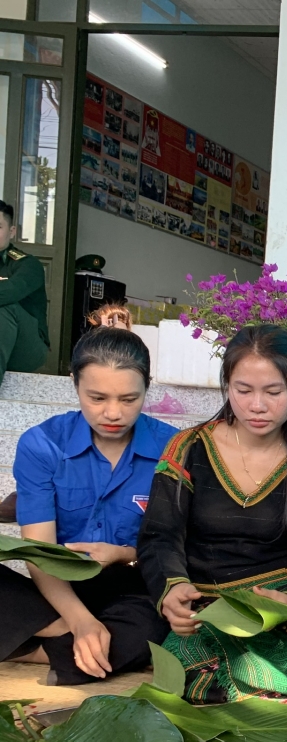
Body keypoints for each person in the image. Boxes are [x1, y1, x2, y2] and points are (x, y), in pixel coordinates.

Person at [138, 324, 287, 703]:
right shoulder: (188, 448)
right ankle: (261, 692)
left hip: (281, 610)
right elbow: (160, 534)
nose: (257, 405)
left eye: (273, 391)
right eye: (243, 390)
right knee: (194, 678)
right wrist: (173, 588)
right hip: (211, 609)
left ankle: (265, 688)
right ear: (227, 385)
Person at [1, 328, 173, 684]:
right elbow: (40, 552)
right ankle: (76, 642)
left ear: (147, 388)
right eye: (97, 397)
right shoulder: (43, 444)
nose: (113, 413)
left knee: (145, 630)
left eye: (129, 399)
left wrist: (124, 554)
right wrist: (79, 621)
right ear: (74, 383)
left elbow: (173, 549)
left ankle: (35, 647)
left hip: (132, 586)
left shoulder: (171, 449)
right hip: (55, 586)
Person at [0, 199, 49, 387]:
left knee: (5, 307)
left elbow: (9, 292)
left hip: (28, 347)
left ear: (11, 231)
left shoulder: (29, 265)